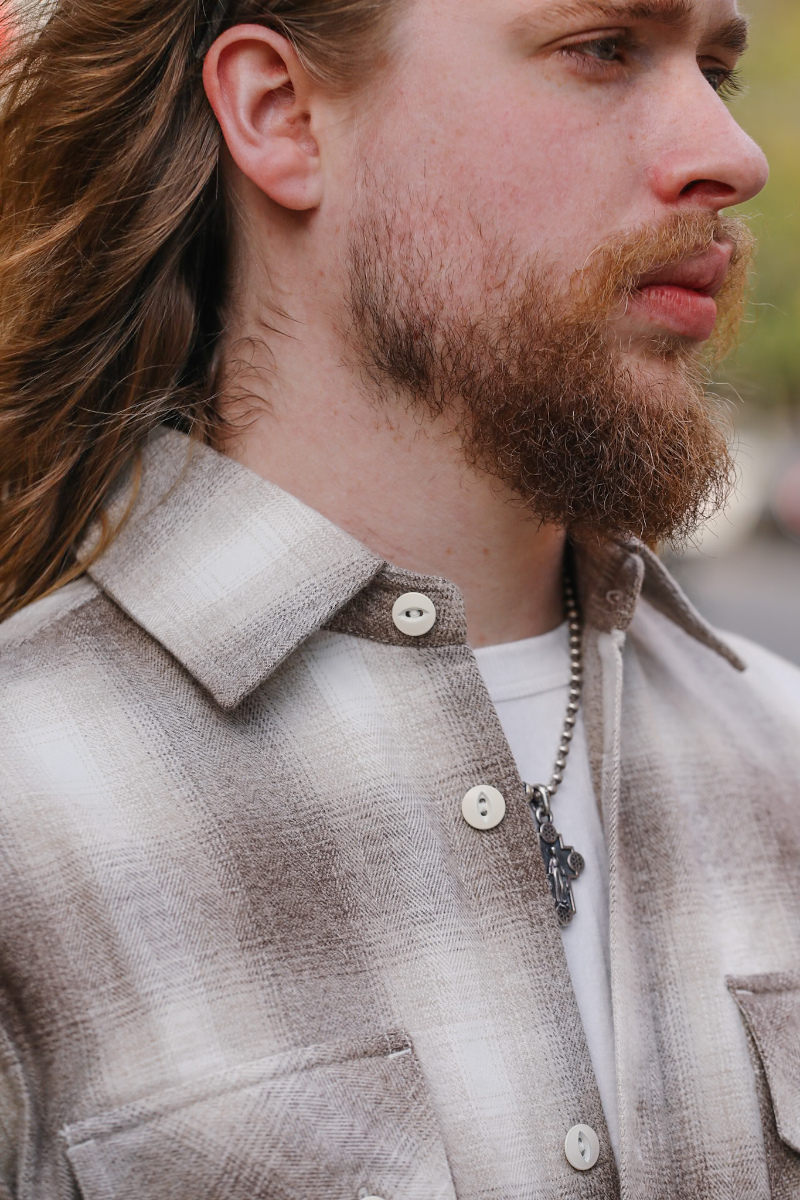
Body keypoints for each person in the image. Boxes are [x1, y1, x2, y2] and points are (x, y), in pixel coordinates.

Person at [0, 0, 797, 1196]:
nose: (732, 157)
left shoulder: (783, 756)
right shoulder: (27, 816)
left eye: (717, 71)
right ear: (282, 115)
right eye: (601, 48)